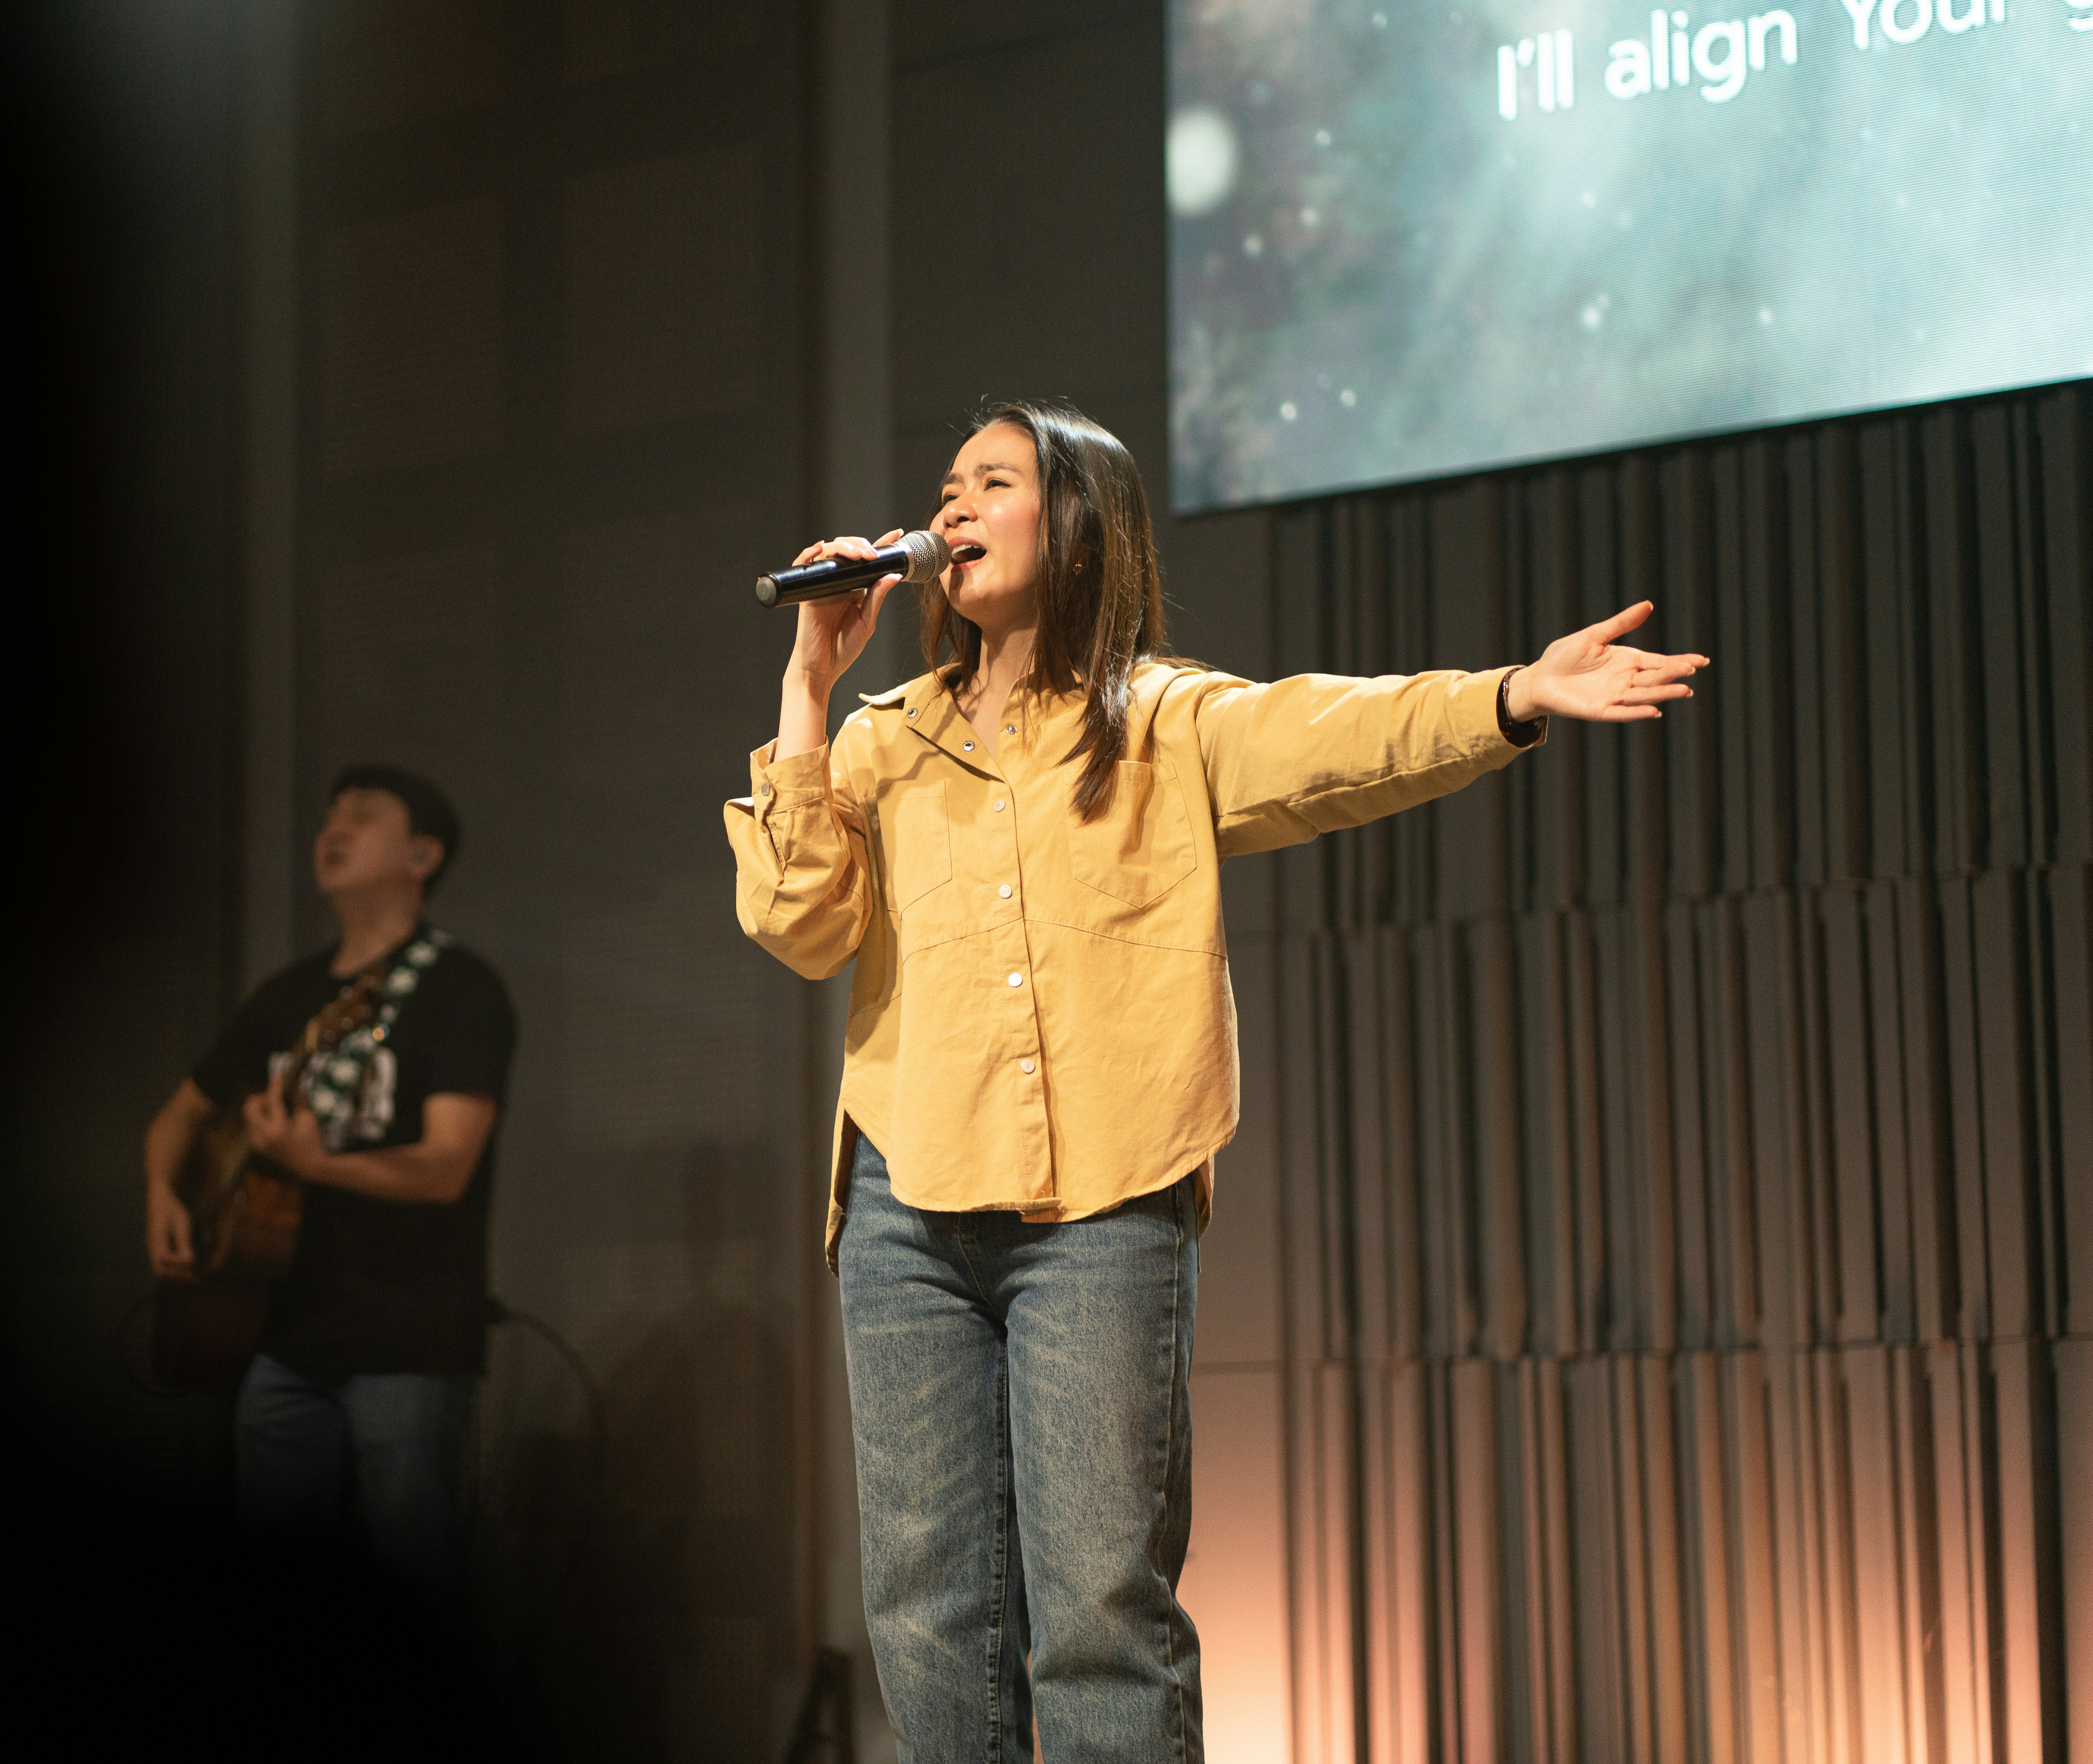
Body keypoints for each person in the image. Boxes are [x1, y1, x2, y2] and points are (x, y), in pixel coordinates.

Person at [725, 399, 1707, 1760]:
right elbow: (797, 922)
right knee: (927, 1614)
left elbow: (1337, 738)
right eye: (943, 490)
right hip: (903, 1210)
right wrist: (807, 691)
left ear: (1073, 527)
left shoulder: (1162, 726)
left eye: (990, 484)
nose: (948, 509)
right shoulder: (882, 744)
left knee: (1097, 1614)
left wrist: (1509, 696)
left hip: (1103, 1207)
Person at [144, 765, 516, 1609]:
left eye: (362, 816)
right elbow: (176, 1120)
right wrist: (164, 1196)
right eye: (327, 817)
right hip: (276, 1336)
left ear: (421, 854)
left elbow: (447, 1165)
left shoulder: (458, 989)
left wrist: (320, 1166)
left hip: (409, 1341)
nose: (332, 830)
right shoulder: (286, 997)